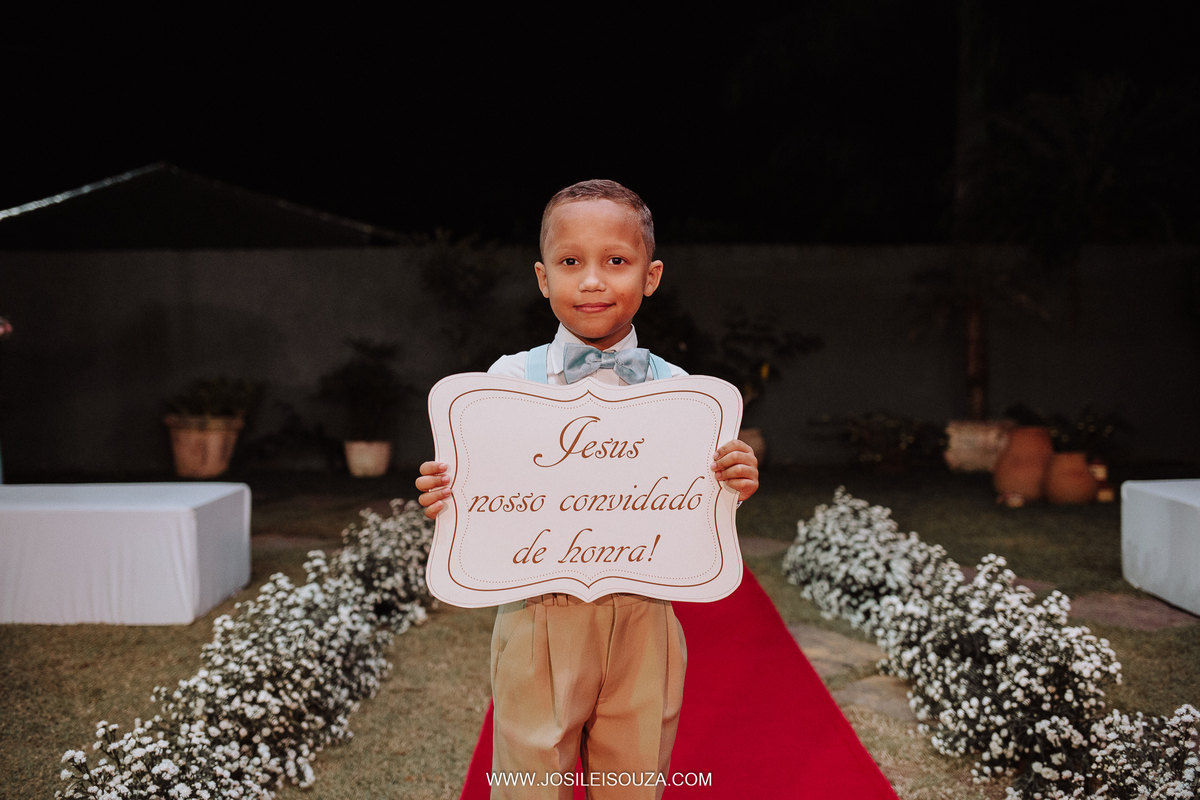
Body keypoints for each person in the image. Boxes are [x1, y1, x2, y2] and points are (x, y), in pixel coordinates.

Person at [415, 179, 759, 799]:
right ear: (544, 278)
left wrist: (732, 480)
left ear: (650, 276)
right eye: (571, 263)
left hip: (645, 615)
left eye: (616, 262)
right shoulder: (504, 380)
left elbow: (695, 500)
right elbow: (483, 489)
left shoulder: (682, 390)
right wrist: (448, 494)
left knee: (634, 776)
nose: (592, 281)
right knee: (529, 779)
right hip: (536, 616)